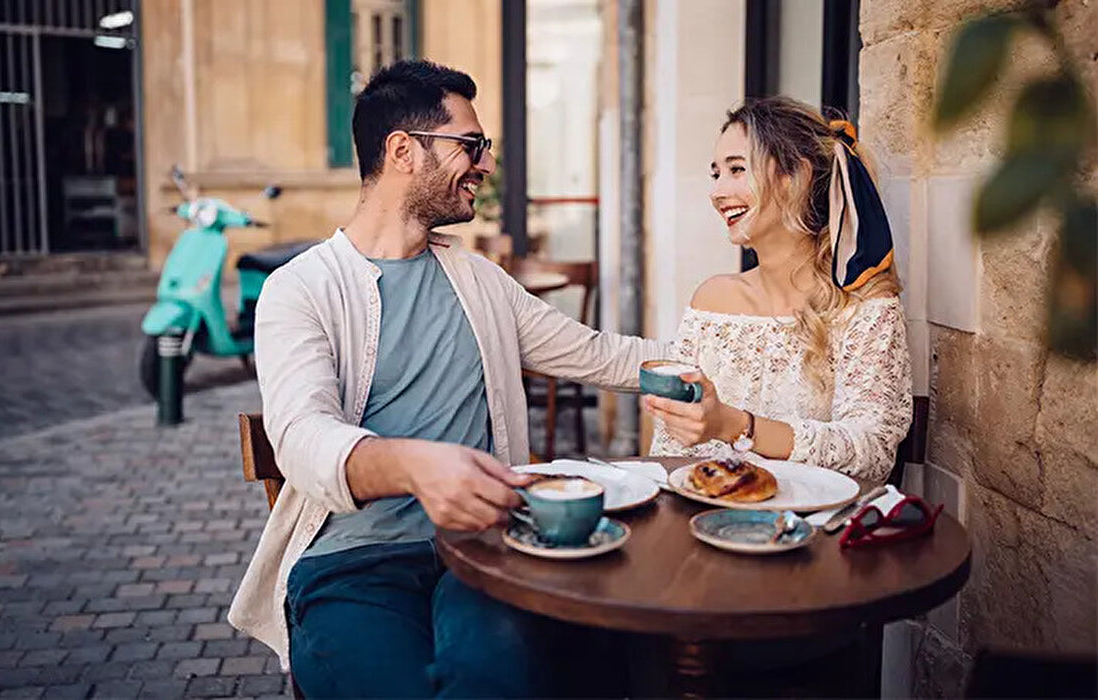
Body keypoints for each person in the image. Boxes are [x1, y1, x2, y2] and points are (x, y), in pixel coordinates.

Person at [228, 60, 665, 697]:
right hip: (351, 565)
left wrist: (729, 354)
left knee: (502, 678)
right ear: (403, 151)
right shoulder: (302, 289)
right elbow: (301, 437)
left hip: (483, 555)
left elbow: (601, 355)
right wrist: (413, 467)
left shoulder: (480, 281)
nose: (485, 163)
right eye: (472, 145)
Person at [645, 96, 912, 482]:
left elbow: (871, 453)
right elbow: (670, 455)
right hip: (707, 523)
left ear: (795, 178)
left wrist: (736, 425)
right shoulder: (711, 303)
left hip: (821, 534)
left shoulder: (865, 306)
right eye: (716, 173)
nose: (717, 192)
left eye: (737, 170)